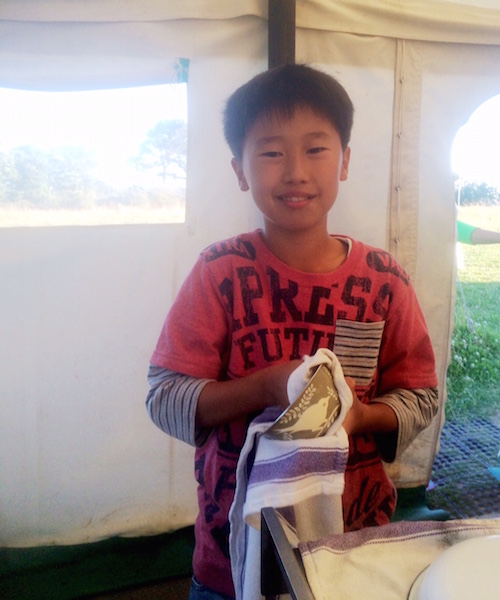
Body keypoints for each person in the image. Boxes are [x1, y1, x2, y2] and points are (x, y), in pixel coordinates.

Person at [146, 64, 439, 600]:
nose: (296, 172)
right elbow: (165, 398)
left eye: (316, 149)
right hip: (231, 564)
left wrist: (363, 416)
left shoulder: (384, 281)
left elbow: (421, 398)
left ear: (345, 160)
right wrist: (264, 387)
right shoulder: (219, 273)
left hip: (353, 556)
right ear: (241, 170)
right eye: (272, 152)